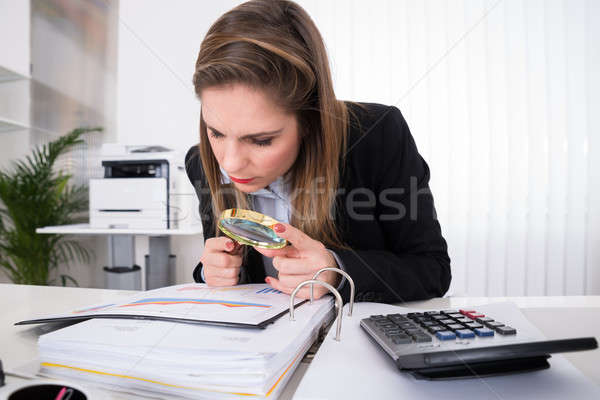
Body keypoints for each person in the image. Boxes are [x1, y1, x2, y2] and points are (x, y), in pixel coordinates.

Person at [185, 0, 451, 303]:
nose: (230, 163)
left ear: (310, 120)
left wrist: (336, 271)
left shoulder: (377, 135)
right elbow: (228, 267)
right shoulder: (199, 162)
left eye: (261, 140)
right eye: (216, 132)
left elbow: (432, 270)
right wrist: (212, 271)